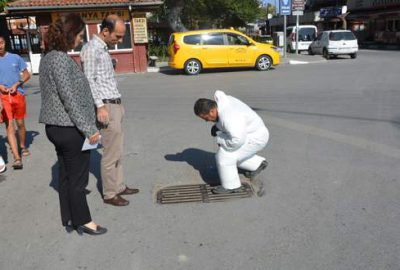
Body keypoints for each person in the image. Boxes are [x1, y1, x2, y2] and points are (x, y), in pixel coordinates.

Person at [39, 13, 106, 235]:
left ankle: (68, 217)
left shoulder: (48, 56)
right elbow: (69, 99)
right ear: (69, 34)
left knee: (66, 176)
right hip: (69, 128)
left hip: (58, 127)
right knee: (78, 179)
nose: (80, 39)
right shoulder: (58, 58)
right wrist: (89, 130)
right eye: (78, 35)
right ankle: (84, 221)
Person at [80, 15, 139, 207]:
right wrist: (100, 106)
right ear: (105, 31)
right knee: (110, 154)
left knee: (118, 150)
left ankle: (119, 186)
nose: (120, 41)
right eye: (118, 36)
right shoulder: (91, 49)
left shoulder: (103, 49)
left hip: (114, 103)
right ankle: (110, 193)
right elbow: (89, 81)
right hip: (105, 106)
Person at [194, 90, 269, 195]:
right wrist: (217, 126)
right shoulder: (222, 103)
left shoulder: (229, 117)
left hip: (255, 138)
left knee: (225, 156)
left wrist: (221, 140)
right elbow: (228, 125)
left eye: (206, 118)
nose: (206, 121)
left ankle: (231, 186)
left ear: (211, 111)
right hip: (252, 132)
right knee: (234, 154)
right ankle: (257, 164)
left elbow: (237, 140)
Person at [0, 34, 31, 170]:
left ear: (4, 43)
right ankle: (17, 158)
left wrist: (17, 83)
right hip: (3, 97)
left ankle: (23, 145)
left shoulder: (15, 58)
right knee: (10, 126)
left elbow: (26, 74)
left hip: (18, 94)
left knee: (20, 124)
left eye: (0, 43)